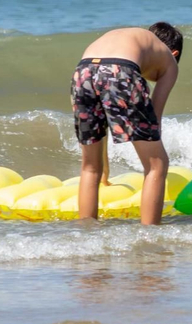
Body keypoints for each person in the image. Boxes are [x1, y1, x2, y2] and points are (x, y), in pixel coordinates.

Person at [71, 23, 183, 226]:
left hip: (83, 71)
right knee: (157, 165)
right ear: (174, 52)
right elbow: (153, 123)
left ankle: (85, 236)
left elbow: (101, 126)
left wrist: (105, 169)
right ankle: (150, 234)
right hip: (121, 69)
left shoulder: (135, 38)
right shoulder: (170, 61)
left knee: (90, 167)